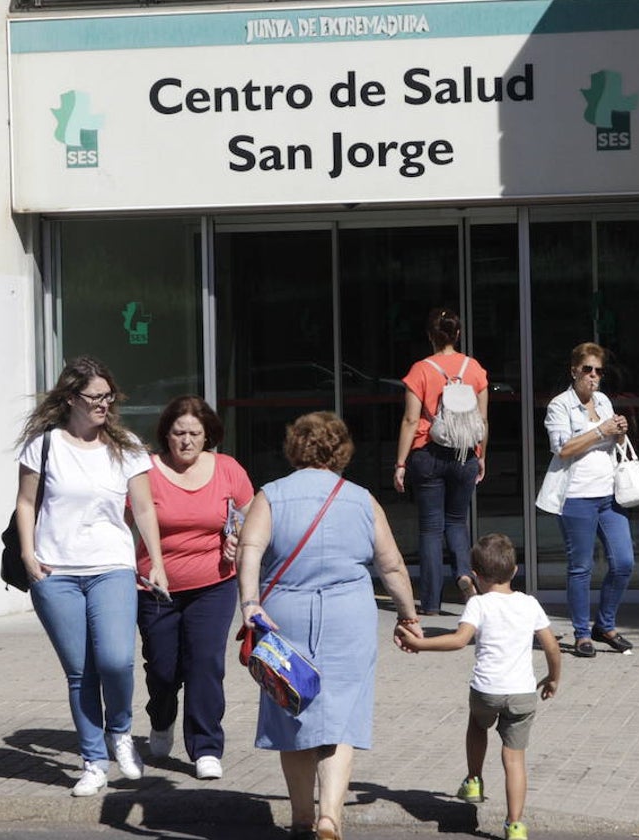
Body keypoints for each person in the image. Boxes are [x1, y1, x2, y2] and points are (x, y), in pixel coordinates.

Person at [237, 412, 423, 840]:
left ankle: (302, 816)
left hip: (285, 618)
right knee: (341, 717)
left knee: (292, 713)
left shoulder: (272, 495)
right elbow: (391, 565)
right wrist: (407, 615)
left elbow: (249, 549)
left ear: (294, 447)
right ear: (341, 451)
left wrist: (249, 603)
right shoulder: (360, 499)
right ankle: (330, 816)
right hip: (348, 617)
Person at [13, 355, 167, 796]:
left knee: (116, 660)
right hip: (55, 571)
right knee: (80, 673)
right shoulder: (44, 445)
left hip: (111, 568)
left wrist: (154, 560)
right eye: (95, 397)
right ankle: (93, 761)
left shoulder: (127, 447)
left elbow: (142, 509)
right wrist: (28, 555)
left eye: (108, 396)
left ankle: (120, 731)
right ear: (70, 398)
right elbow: (26, 503)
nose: (104, 403)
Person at [396, 533, 561, 840]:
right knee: (514, 759)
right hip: (523, 694)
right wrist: (553, 678)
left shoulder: (479, 605)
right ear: (514, 571)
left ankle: (474, 779)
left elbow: (459, 641)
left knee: (477, 724)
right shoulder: (530, 603)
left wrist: (420, 644)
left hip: (487, 692)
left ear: (475, 574)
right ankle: (515, 826)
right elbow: (552, 647)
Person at [134, 395, 254, 781]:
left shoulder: (228, 469)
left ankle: (205, 747)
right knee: (164, 669)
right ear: (166, 435)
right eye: (178, 433)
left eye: (194, 434)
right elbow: (121, 521)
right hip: (156, 586)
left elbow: (251, 516)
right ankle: (162, 718)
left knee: (205, 663)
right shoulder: (145, 471)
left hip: (214, 582)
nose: (186, 441)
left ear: (208, 436)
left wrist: (238, 538)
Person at [535, 341, 635, 658]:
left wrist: (619, 430)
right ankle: (581, 633)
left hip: (609, 494)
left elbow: (614, 440)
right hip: (576, 497)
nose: (593, 376)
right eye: (587, 370)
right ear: (574, 371)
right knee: (580, 567)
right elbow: (562, 449)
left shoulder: (603, 401)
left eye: (598, 371)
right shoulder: (559, 406)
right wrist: (601, 431)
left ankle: (604, 625)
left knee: (624, 562)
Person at [394, 307, 490, 614]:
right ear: (457, 334)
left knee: (431, 529)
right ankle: (464, 573)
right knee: (456, 522)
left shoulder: (420, 370)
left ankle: (432, 603)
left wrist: (400, 463)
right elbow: (483, 420)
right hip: (465, 454)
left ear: (429, 336)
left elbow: (411, 420)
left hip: (428, 454)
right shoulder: (474, 368)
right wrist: (481, 455)